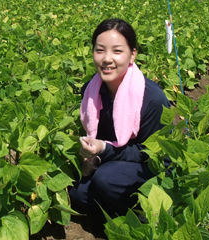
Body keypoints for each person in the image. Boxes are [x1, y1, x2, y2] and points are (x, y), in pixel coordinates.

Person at [69, 18, 171, 218]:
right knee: (77, 194)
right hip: (114, 162)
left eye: (117, 51)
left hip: (150, 167)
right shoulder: (91, 90)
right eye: (100, 50)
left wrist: (104, 149)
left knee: (107, 179)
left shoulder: (151, 99)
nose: (107, 59)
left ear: (132, 55)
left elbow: (151, 154)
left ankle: (146, 219)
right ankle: (117, 212)